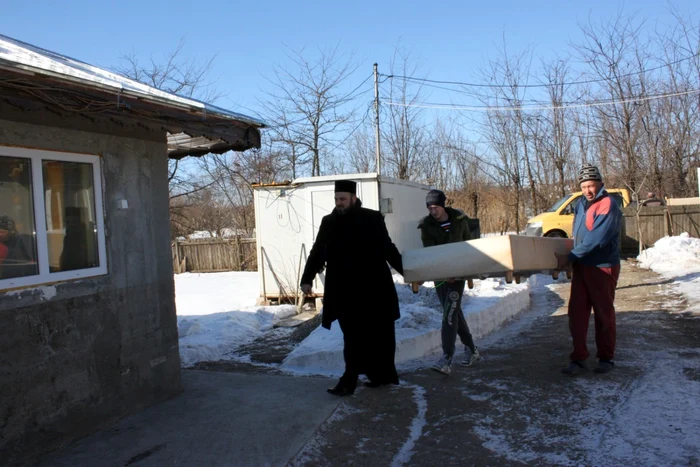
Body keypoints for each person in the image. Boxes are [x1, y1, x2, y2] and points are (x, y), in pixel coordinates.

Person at [300, 180, 404, 396]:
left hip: (374, 290)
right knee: (353, 338)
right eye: (337, 199)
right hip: (344, 292)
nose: (339, 203)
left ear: (353, 198)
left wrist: (409, 272)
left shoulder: (372, 219)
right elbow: (318, 251)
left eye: (343, 199)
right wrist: (307, 278)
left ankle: (381, 376)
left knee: (379, 335)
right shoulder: (328, 222)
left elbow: (388, 249)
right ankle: (350, 379)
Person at [555, 164, 622, 375]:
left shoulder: (608, 204)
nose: (587, 190)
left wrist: (572, 256)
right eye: (584, 186)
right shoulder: (581, 204)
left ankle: (606, 358)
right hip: (582, 266)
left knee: (603, 313)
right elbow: (578, 235)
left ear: (601, 184)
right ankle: (578, 358)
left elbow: (597, 239)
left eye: (591, 185)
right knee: (577, 313)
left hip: (602, 267)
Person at [418, 189, 480, 376]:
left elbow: (469, 246)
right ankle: (472, 349)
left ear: (443, 205)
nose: (433, 211)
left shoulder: (459, 221)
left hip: (458, 275)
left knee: (449, 312)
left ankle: (446, 357)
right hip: (441, 276)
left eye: (435, 206)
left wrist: (466, 271)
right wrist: (443, 272)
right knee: (453, 311)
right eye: (429, 207)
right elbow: (431, 253)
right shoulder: (426, 226)